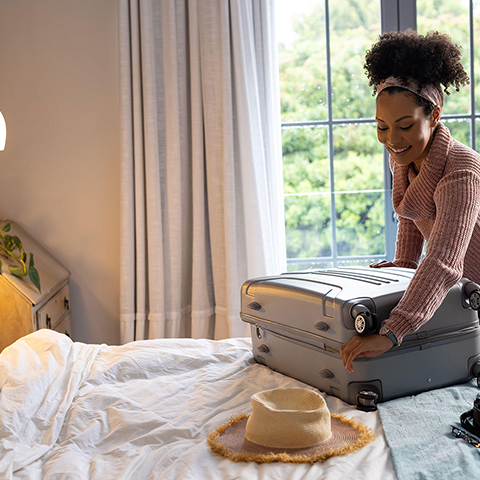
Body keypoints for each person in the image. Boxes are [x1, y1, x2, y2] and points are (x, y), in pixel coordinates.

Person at [340, 29, 480, 373]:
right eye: (382, 126)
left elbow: (445, 262)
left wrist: (392, 331)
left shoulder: (462, 169)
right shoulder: (403, 158)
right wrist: (402, 264)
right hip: (464, 293)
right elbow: (410, 211)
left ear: (434, 116)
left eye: (404, 125)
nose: (392, 140)